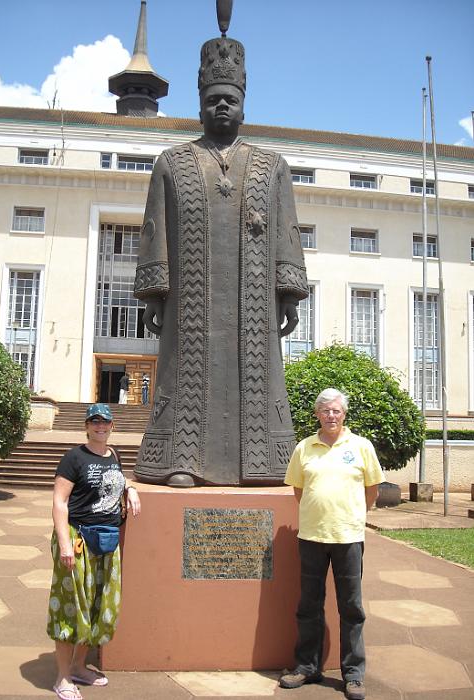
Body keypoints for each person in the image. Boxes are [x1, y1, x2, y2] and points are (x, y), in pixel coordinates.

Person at [133, 5, 308, 487]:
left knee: (260, 375)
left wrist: (288, 292)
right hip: (191, 306)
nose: (222, 107)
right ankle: (180, 462)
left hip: (253, 306)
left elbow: (287, 231)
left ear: (244, 103)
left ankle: (263, 464)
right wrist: (154, 295)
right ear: (200, 104)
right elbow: (154, 231)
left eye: (230, 98)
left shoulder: (272, 166)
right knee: (184, 374)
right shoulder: (172, 163)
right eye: (214, 99)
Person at [280, 388, 384, 700]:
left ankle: (353, 674)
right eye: (325, 411)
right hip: (312, 536)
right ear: (317, 414)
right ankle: (307, 666)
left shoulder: (361, 447)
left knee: (351, 606)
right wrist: (320, 512)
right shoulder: (304, 448)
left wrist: (350, 516)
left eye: (336, 411)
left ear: (344, 414)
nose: (331, 416)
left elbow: (372, 490)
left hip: (348, 537)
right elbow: (299, 490)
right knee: (309, 604)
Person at [47, 403, 141, 700]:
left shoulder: (114, 455)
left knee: (98, 605)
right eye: (95, 422)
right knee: (71, 607)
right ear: (87, 426)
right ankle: (62, 678)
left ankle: (78, 666)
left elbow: (115, 481)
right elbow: (60, 502)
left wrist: (131, 488)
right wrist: (64, 544)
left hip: (107, 541)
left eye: (105, 422)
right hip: (78, 539)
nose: (101, 427)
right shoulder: (74, 458)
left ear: (112, 426)